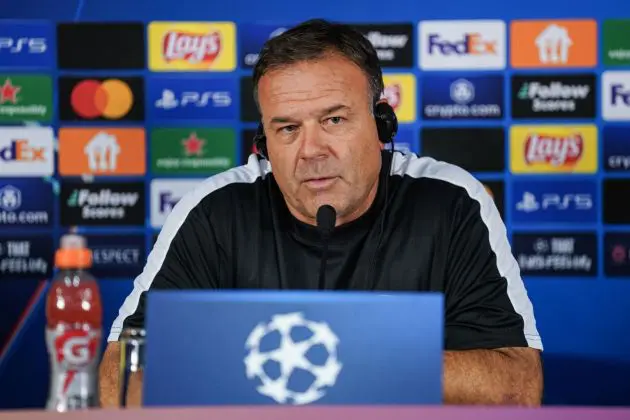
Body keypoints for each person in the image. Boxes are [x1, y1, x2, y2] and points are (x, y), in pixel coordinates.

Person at [99, 18, 543, 407]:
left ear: (382, 123)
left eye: (334, 120)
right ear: (264, 142)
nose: (311, 151)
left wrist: (327, 357)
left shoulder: (450, 201)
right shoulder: (214, 211)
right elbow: (119, 380)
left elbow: (517, 388)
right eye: (288, 128)